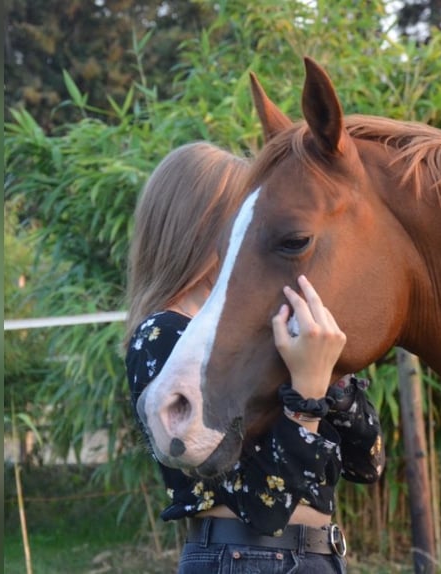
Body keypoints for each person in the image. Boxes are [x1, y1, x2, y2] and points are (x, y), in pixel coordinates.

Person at [124, 142, 385, 574]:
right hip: (244, 558)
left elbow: (367, 461)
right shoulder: (161, 337)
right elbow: (261, 507)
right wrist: (305, 397)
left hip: (318, 557)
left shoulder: (264, 334)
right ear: (198, 227)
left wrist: (328, 375)